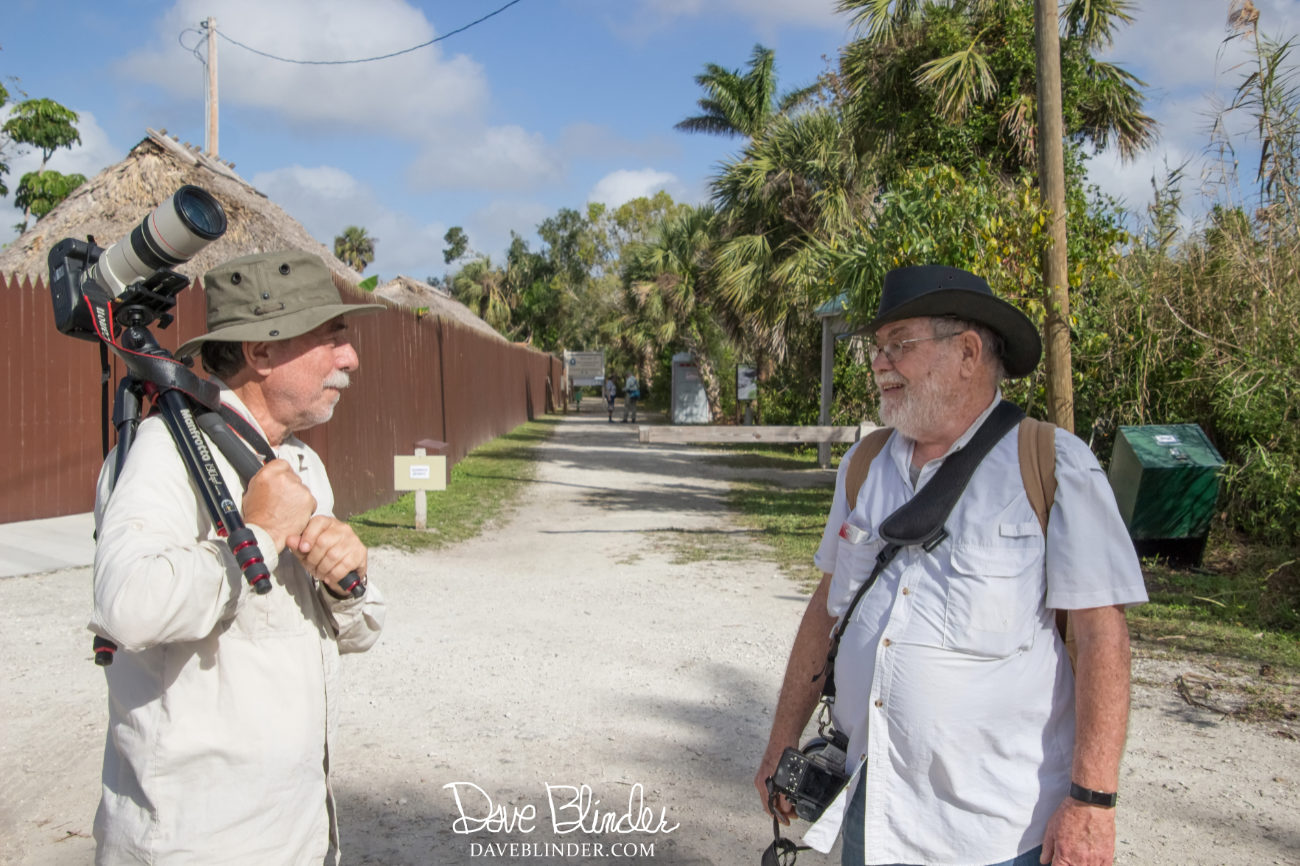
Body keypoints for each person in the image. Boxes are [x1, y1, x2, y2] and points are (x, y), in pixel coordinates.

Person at [754, 264, 1148, 866]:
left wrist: (1092, 803)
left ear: (967, 353)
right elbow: (826, 609)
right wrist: (782, 740)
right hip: (872, 811)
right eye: (877, 348)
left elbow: (1102, 638)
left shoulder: (1053, 465)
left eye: (899, 345)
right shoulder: (865, 466)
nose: (879, 364)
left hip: (997, 834)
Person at [90, 249, 388, 865]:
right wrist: (258, 536)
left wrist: (346, 582)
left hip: (297, 833)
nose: (350, 358)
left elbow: (359, 633)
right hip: (198, 843)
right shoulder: (166, 451)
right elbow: (126, 607)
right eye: (332, 337)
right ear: (261, 352)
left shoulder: (301, 463)